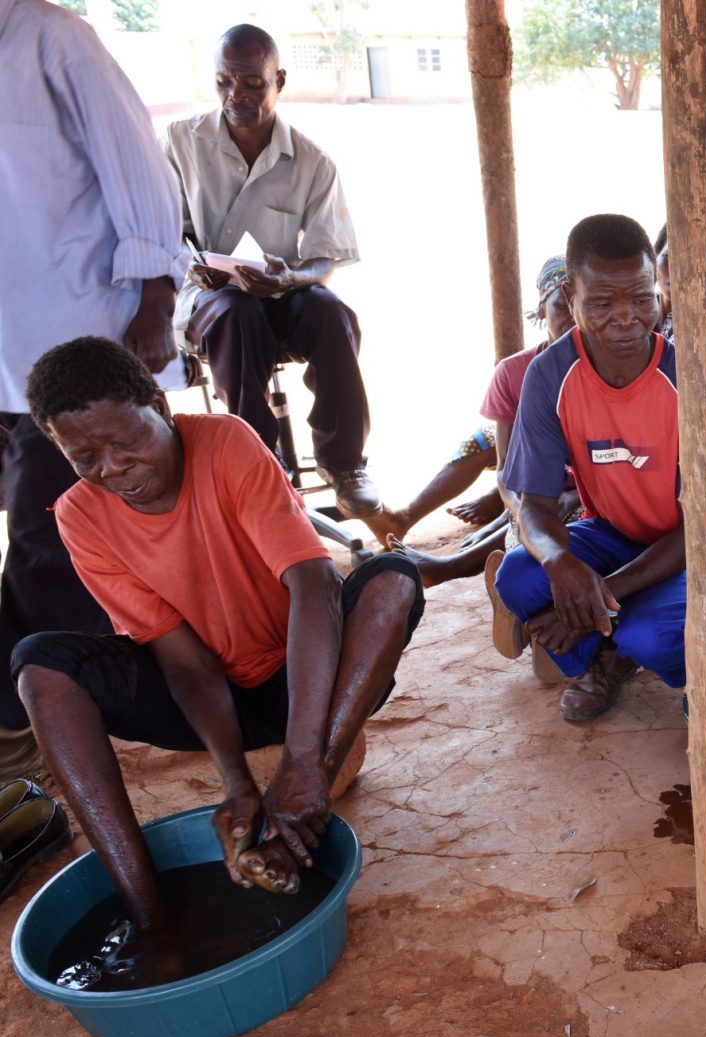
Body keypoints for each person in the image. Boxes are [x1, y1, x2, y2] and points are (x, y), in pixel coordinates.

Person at [12, 337, 424, 939]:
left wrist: (304, 758)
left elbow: (311, 582)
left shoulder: (225, 442)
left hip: (306, 677)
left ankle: (291, 830)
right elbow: (184, 662)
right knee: (39, 664)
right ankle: (148, 916)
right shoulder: (81, 514)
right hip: (207, 700)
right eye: (85, 458)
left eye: (126, 442)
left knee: (392, 581)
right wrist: (235, 782)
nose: (113, 467)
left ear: (159, 403)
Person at [0, 0, 186, 784]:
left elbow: (138, 171)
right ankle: (36, 703)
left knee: (49, 531)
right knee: (43, 534)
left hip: (77, 338)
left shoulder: (55, 40)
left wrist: (155, 302)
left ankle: (33, 717)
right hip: (6, 345)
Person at [165, 24, 388, 538]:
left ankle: (344, 462)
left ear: (279, 79)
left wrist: (291, 275)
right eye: (224, 83)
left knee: (331, 311)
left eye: (252, 83)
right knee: (237, 314)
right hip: (208, 295)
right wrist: (191, 260)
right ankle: (261, 465)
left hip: (277, 292)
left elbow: (324, 257)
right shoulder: (180, 141)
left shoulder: (311, 161)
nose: (235, 96)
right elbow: (162, 229)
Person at [492, 214, 686, 723]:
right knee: (518, 576)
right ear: (569, 296)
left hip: (685, 551)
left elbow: (703, 527)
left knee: (654, 637)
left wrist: (600, 593)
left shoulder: (688, 374)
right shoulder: (549, 373)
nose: (625, 318)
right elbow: (532, 502)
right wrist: (562, 564)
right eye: (602, 303)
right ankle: (601, 658)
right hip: (611, 535)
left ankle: (606, 636)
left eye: (642, 298)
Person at [386, 256, 577, 587]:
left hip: (581, 488)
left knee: (561, 516)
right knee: (524, 498)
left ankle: (457, 565)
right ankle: (485, 539)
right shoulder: (513, 372)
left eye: (581, 306)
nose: (572, 319)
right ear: (542, 308)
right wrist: (517, 510)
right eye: (561, 306)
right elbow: (506, 470)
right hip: (536, 478)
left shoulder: (605, 368)